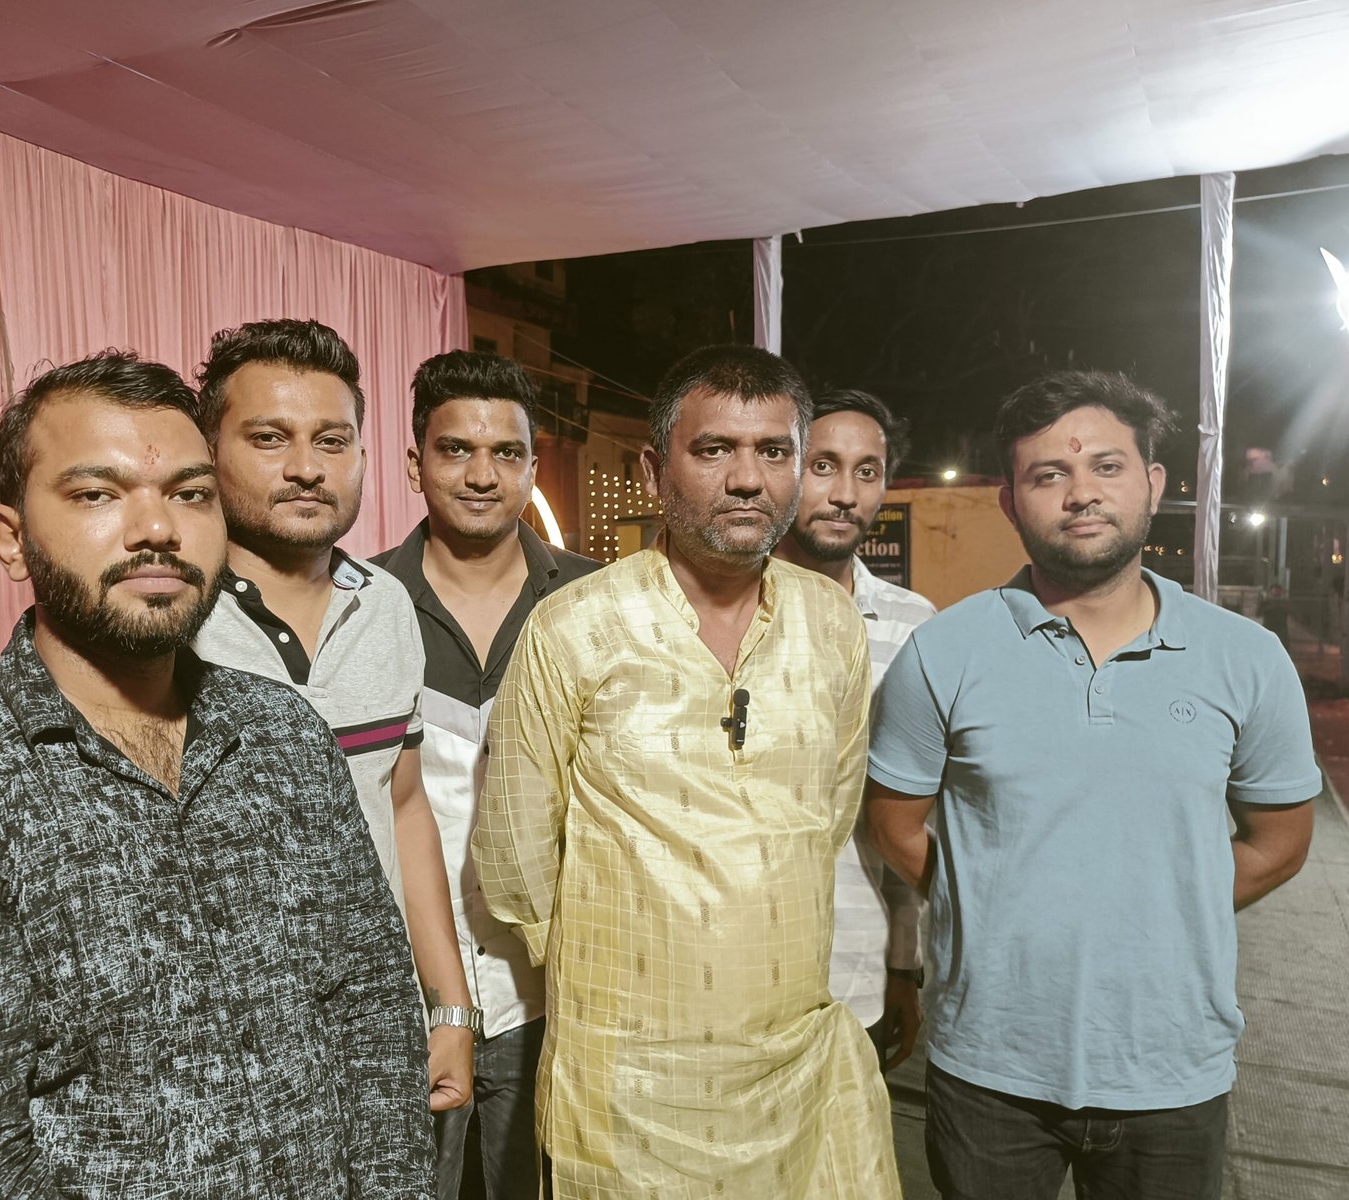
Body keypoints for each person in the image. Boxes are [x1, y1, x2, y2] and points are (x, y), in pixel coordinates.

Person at [0, 352, 435, 1197]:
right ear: (11, 538)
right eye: (97, 494)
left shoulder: (285, 734)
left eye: (190, 494)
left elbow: (372, 1012)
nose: (156, 528)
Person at [867, 370, 1319, 1200]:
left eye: (1107, 467)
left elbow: (1282, 842)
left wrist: (1160, 903)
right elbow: (895, 823)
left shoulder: (1246, 658)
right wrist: (990, 897)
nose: (1081, 494)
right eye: (1049, 475)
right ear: (1010, 503)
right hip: (989, 1073)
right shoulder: (944, 651)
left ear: (1153, 483)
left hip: (1172, 1070)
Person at [474, 345, 902, 1199]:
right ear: (652, 470)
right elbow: (515, 856)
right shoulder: (575, 626)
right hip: (627, 1080)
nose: (747, 479)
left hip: (794, 1059)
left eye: (773, 451)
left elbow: (826, 817)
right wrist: (628, 969)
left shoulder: (831, 623)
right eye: (714, 450)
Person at [192, 319, 478, 1112]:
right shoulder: (169, 619)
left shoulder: (386, 605)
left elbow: (405, 806)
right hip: (222, 1056)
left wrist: (451, 1007)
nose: (306, 468)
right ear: (208, 452)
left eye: (332, 440)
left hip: (381, 1028)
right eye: (268, 438)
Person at [373, 350, 601, 1200]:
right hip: (401, 998)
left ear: (533, 467)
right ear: (415, 463)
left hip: (559, 995)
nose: (482, 475)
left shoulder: (595, 602)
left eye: (506, 453)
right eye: (456, 450)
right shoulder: (359, 605)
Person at [774, 387, 935, 1072]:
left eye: (867, 472)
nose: (845, 494)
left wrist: (904, 964)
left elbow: (905, 813)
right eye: (823, 466)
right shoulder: (723, 612)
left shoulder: (913, 626)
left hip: (855, 971)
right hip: (726, 969)